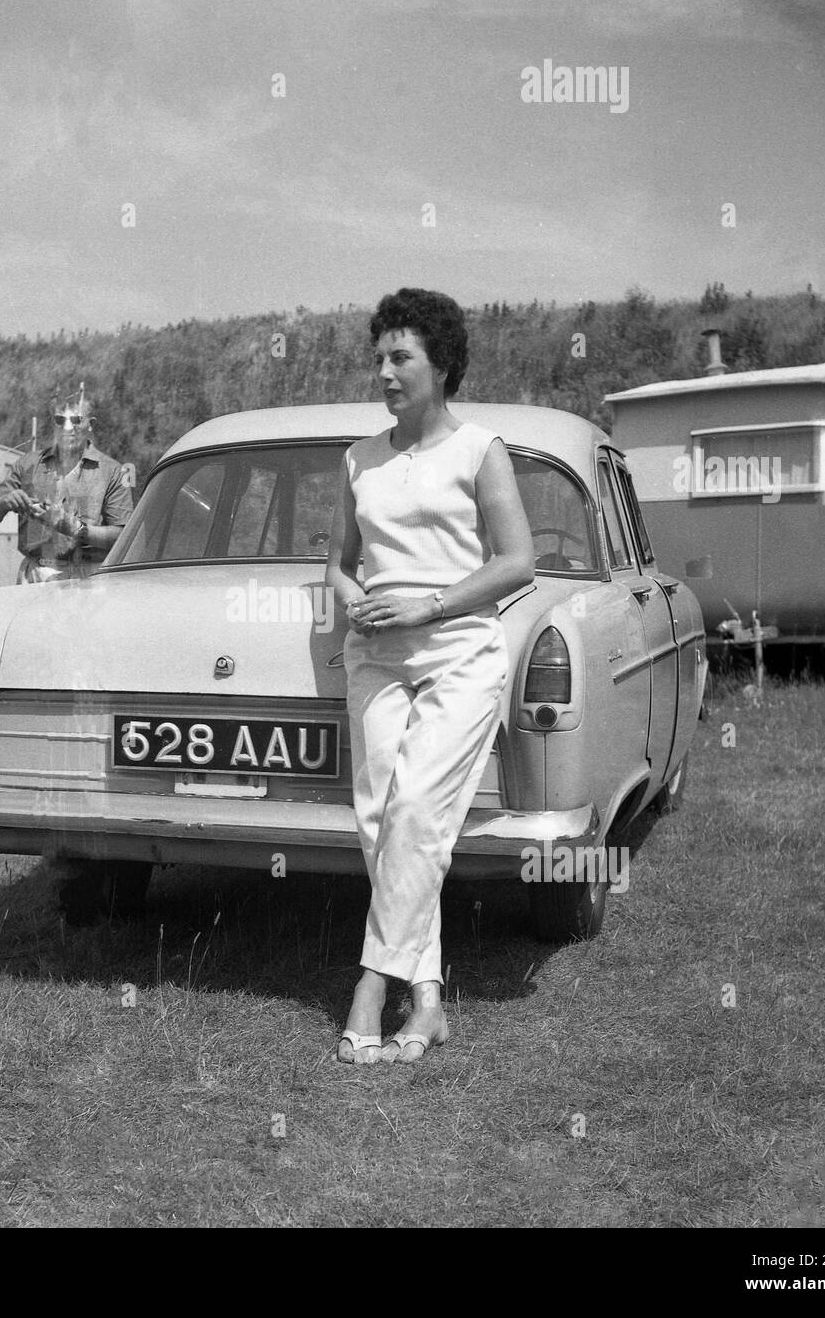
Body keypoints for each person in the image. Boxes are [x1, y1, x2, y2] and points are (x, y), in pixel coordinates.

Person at [325, 288, 535, 1066]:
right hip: (374, 655)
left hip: (459, 652)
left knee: (418, 810)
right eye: (378, 356)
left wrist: (429, 609)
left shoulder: (481, 450)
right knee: (382, 822)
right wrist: (356, 603)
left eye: (399, 357)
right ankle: (431, 1001)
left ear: (441, 365)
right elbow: (336, 564)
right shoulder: (358, 457)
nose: (383, 371)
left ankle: (371, 988)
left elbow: (517, 563)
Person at [0, 387, 132, 582]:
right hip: (37, 572)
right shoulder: (27, 464)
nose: (68, 427)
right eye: (60, 420)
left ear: (90, 424)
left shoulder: (113, 471)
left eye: (76, 420)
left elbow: (123, 537)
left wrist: (76, 529)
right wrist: (4, 502)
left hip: (89, 577)